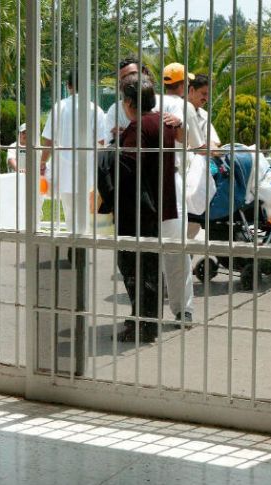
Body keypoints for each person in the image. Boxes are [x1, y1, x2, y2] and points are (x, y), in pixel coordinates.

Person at [98, 73, 194, 343]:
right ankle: (149, 320)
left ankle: (145, 323)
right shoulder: (162, 122)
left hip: (141, 209)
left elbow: (127, 170)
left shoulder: (138, 127)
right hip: (160, 203)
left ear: (129, 101)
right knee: (154, 265)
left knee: (138, 268)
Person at [40, 69, 109, 234]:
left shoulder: (60, 107)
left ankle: (74, 249)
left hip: (64, 172)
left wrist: (42, 162)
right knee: (87, 216)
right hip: (89, 172)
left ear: (68, 85)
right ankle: (83, 252)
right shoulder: (95, 109)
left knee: (70, 215)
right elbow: (101, 143)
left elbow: (48, 140)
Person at [185, 73, 221, 239]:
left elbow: (213, 143)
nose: (206, 98)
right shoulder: (176, 111)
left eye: (208, 94)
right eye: (203, 94)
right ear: (191, 90)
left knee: (191, 228)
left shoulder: (204, 116)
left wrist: (212, 147)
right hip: (177, 175)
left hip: (196, 181)